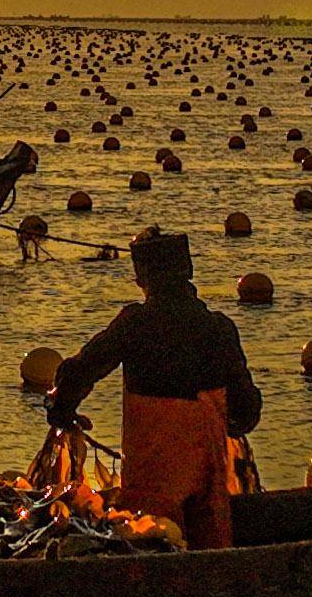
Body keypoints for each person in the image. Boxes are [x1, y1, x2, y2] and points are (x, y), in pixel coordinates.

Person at [45, 228, 259, 549]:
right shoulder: (219, 329)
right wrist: (232, 423)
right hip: (207, 469)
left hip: (155, 470)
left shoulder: (135, 324)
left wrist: (62, 408)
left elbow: (82, 369)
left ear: (141, 279)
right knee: (210, 538)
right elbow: (247, 410)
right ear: (188, 272)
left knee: (152, 537)